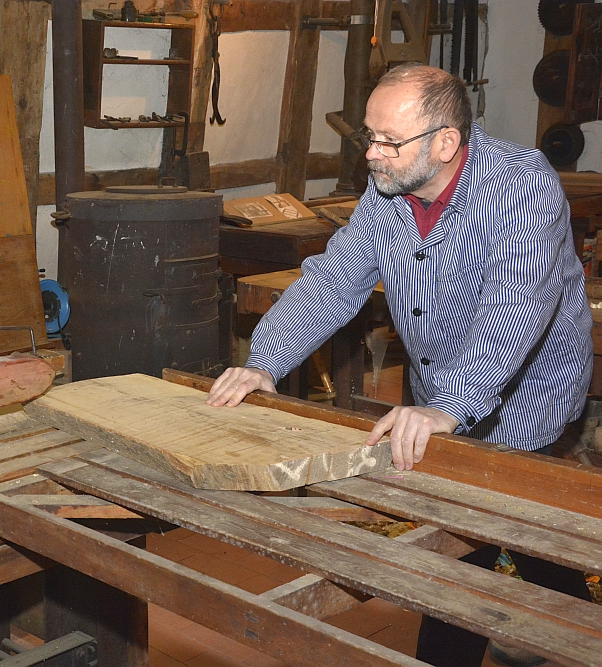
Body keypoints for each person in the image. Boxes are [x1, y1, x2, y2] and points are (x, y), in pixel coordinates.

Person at [207, 63, 594, 667]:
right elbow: (336, 281)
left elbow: (517, 306)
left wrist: (449, 406)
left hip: (528, 383)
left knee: (479, 535)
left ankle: (548, 627)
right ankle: (559, 623)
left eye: (390, 141)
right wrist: (267, 360)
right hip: (440, 379)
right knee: (500, 533)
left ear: (445, 143)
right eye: (369, 136)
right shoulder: (388, 193)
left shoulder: (521, 186)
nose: (373, 154)